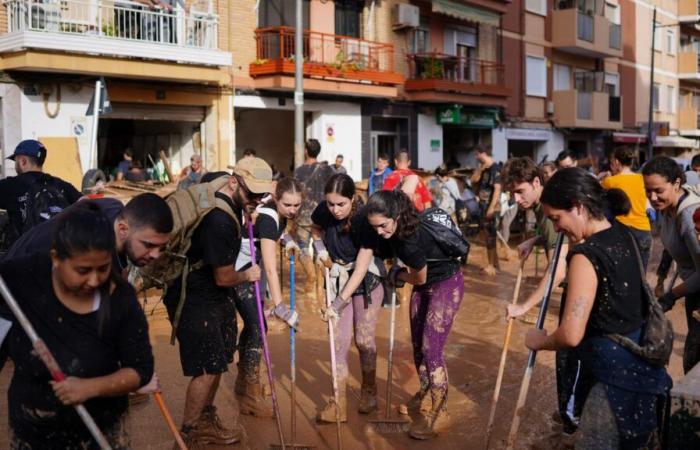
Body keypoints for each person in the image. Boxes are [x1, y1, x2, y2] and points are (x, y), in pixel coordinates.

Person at [525, 167, 671, 448]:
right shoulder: (623, 233)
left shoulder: (585, 256)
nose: (556, 228)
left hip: (613, 380)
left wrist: (539, 341)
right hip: (644, 367)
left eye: (557, 218)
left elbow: (570, 334)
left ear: (578, 207)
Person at [0, 201, 155, 448]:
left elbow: (140, 367)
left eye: (102, 269)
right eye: (83, 271)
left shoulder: (111, 220)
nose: (94, 280)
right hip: (13, 296)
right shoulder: (32, 269)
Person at [164, 157, 273, 447]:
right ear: (235, 182)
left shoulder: (220, 181)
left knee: (222, 355)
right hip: (194, 292)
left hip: (211, 288)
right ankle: (187, 435)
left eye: (262, 195)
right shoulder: (219, 221)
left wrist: (247, 209)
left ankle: (205, 419)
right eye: (252, 195)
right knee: (207, 366)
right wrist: (249, 272)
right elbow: (225, 277)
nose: (257, 200)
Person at [364, 190, 464, 440]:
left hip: (446, 284)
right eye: (374, 227)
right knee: (418, 347)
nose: (379, 232)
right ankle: (425, 394)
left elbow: (418, 276)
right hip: (424, 286)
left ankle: (441, 411)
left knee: (432, 350)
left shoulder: (410, 240)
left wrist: (397, 276)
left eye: (383, 226)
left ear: (396, 216)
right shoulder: (392, 230)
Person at [501, 157, 585, 437]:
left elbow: (556, 270)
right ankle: (568, 419)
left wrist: (523, 306)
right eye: (512, 193)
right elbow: (552, 239)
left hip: (579, 285)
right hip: (577, 282)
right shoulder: (542, 206)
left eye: (520, 191)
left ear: (537, 182)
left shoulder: (549, 209)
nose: (516, 198)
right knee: (568, 358)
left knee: (569, 358)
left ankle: (571, 425)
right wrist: (534, 240)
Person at [312, 174, 386, 423]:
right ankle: (338, 403)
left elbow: (362, 267)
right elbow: (315, 229)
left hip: (365, 280)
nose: (335, 210)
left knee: (364, 340)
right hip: (337, 276)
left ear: (352, 199)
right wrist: (320, 248)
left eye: (341, 204)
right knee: (338, 342)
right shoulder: (325, 210)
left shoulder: (364, 219)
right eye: (331, 204)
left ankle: (369, 391)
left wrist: (336, 304)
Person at [232, 177, 302, 418]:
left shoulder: (273, 213)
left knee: (255, 326)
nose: (292, 210)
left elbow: (271, 237)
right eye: (288, 205)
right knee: (258, 326)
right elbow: (271, 268)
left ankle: (243, 382)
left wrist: (287, 239)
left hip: (251, 269)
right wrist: (280, 306)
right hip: (240, 272)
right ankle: (251, 395)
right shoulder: (269, 218)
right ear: (277, 200)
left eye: (297, 205)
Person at [5, 193, 173, 277]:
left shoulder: (114, 209)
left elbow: (83, 201)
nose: (156, 255)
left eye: (161, 247)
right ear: (122, 230)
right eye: (149, 245)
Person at [642, 156, 700, 374]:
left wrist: (671, 296)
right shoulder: (666, 209)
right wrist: (661, 278)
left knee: (693, 365)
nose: (653, 197)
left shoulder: (689, 217)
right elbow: (671, 247)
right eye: (648, 191)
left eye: (658, 190)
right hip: (692, 290)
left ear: (677, 184)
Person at [0, 139, 82, 249]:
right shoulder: (60, 184)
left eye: (15, 161)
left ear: (23, 161)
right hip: (58, 252)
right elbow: (85, 202)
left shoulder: (10, 186)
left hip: (24, 256)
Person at [601, 146, 652, 268]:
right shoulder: (642, 179)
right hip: (643, 230)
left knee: (623, 272)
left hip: (621, 230)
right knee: (641, 274)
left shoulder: (610, 181)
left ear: (617, 162)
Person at [293, 139, 335, 280]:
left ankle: (311, 277)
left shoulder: (298, 172)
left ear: (306, 151)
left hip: (303, 217)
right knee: (320, 249)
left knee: (303, 248)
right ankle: (320, 284)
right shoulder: (328, 170)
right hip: (322, 216)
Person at [470, 146, 502, 275]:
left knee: (490, 236)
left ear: (483, 153)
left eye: (477, 155)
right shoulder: (484, 169)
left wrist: (491, 208)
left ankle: (491, 266)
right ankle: (495, 264)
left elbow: (497, 190)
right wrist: (480, 169)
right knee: (489, 235)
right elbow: (472, 180)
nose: (475, 157)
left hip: (491, 207)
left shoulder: (495, 168)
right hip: (484, 205)